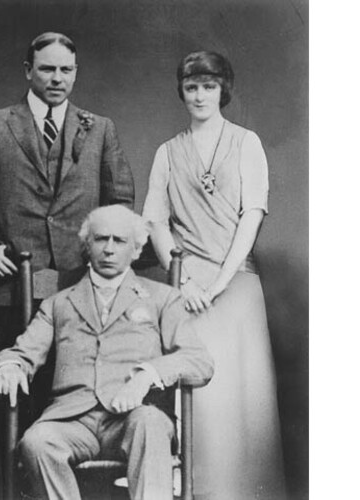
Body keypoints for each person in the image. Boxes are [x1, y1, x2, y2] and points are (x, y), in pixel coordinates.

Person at [0, 205, 214, 500]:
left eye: (119, 240)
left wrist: (146, 376)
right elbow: (23, 351)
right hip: (72, 421)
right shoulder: (58, 303)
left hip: (133, 418)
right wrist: (9, 366)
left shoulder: (161, 298)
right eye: (101, 239)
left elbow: (198, 360)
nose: (109, 249)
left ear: (136, 249)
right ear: (87, 246)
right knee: (36, 442)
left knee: (151, 423)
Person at [142, 51, 286, 499]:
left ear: (224, 89)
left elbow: (252, 213)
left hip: (236, 286)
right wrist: (184, 281)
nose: (200, 95)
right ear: (181, 92)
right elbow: (155, 221)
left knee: (243, 400)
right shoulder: (168, 152)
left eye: (209, 86)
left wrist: (219, 283)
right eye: (191, 87)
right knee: (198, 400)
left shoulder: (246, 143)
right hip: (187, 291)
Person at [0, 32, 134, 356]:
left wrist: (103, 257)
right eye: (47, 69)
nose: (57, 78)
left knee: (76, 382)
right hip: (9, 288)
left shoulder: (101, 129)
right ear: (28, 70)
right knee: (11, 380)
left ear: (75, 72)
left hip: (82, 286)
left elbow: (120, 207)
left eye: (66, 70)